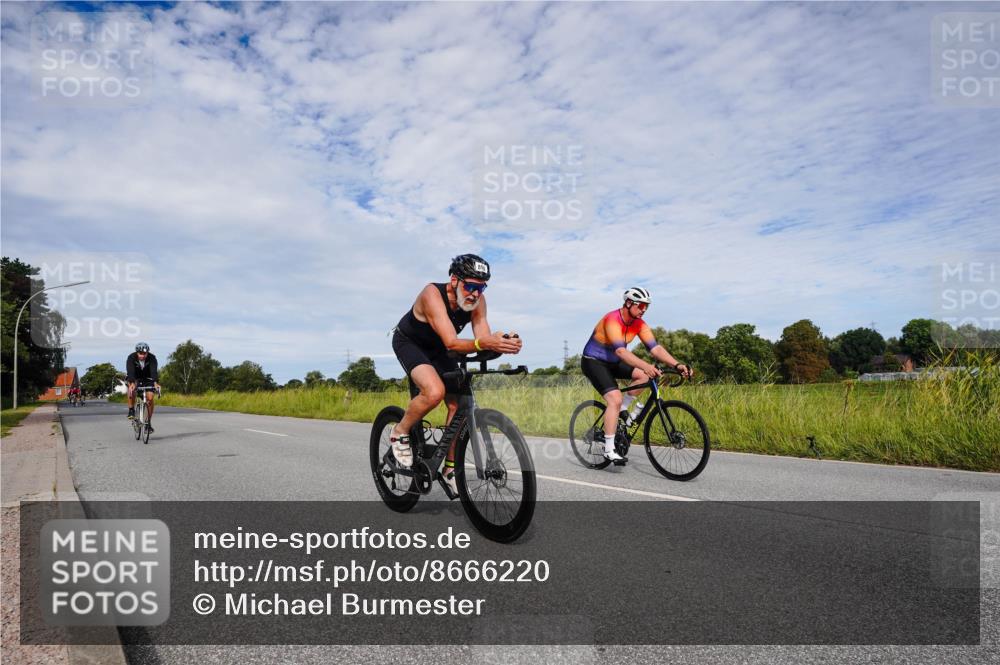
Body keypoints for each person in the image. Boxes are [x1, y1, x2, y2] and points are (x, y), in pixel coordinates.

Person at [390, 254, 522, 493]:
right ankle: (399, 431)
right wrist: (487, 343)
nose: (475, 293)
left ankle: (450, 468)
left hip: (440, 349)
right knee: (434, 392)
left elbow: (482, 339)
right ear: (454, 280)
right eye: (470, 285)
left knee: (459, 404)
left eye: (481, 288)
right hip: (411, 343)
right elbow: (452, 342)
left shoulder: (478, 303)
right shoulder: (432, 295)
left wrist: (503, 344)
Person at [581, 287, 691, 463]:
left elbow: (655, 348)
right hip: (594, 361)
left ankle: (623, 408)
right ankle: (609, 449)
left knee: (645, 377)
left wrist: (677, 365)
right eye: (641, 306)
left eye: (646, 306)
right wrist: (646, 365)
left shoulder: (639, 324)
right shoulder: (612, 320)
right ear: (628, 303)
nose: (644, 310)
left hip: (612, 362)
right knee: (614, 399)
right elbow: (621, 352)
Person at [126, 342, 160, 431]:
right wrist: (132, 382)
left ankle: (148, 423)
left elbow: (154, 371)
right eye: (140, 353)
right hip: (135, 378)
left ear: (147, 353)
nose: (142, 356)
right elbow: (130, 371)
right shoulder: (131, 357)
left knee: (150, 397)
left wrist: (156, 383)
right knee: (131, 388)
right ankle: (131, 410)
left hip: (148, 379)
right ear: (137, 352)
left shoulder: (152, 358)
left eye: (144, 354)